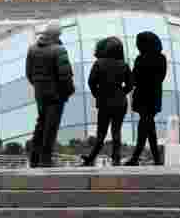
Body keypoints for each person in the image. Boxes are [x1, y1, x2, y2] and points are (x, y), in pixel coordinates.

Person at [25, 22, 75, 168]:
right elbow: (65, 76)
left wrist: (39, 86)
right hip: (56, 95)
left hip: (40, 93)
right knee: (51, 127)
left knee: (40, 124)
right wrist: (68, 91)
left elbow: (29, 73)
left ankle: (34, 158)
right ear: (56, 35)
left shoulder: (32, 49)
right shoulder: (59, 50)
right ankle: (45, 159)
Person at [82, 36, 133, 166]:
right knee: (116, 131)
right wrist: (122, 92)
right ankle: (116, 159)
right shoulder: (124, 65)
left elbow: (91, 82)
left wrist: (97, 94)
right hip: (120, 102)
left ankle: (91, 158)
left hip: (104, 102)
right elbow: (130, 85)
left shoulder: (99, 63)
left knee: (101, 133)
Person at [126, 31, 167, 166]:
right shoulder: (161, 58)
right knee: (148, 127)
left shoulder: (141, 59)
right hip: (154, 96)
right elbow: (161, 78)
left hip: (143, 97)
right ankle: (155, 158)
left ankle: (137, 157)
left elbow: (134, 79)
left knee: (145, 127)